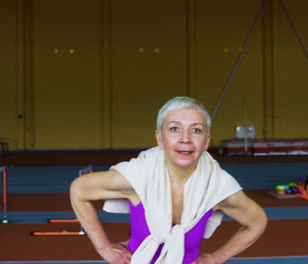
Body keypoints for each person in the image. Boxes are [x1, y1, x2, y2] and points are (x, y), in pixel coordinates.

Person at [70, 96, 268, 264]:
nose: (185, 139)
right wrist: (103, 246)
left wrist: (216, 258)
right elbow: (79, 189)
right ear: (159, 138)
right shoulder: (137, 176)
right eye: (174, 129)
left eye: (196, 130)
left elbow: (257, 221)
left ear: (207, 141)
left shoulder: (218, 187)